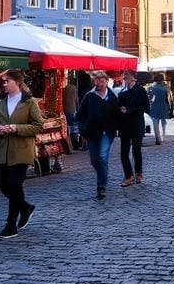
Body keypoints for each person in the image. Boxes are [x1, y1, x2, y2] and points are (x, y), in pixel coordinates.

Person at [0, 70, 44, 239]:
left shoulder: (29, 102)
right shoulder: (0, 101)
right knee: (3, 185)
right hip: (3, 149)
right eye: (3, 81)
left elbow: (37, 125)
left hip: (21, 150)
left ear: (17, 82)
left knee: (14, 184)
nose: (4, 84)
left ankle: (10, 224)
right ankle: (25, 207)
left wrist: (17, 128)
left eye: (7, 81)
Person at [77, 71, 120, 200]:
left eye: (101, 81)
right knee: (95, 160)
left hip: (107, 132)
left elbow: (117, 115)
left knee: (102, 157)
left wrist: (116, 127)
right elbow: (80, 115)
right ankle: (103, 173)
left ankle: (101, 186)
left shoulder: (112, 97)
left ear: (107, 81)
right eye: (96, 81)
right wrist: (83, 129)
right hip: (92, 132)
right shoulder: (89, 96)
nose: (99, 84)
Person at [117, 71, 150, 186]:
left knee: (137, 151)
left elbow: (145, 107)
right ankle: (129, 176)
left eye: (127, 76)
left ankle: (138, 174)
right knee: (124, 153)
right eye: (124, 77)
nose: (125, 78)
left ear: (133, 78)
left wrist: (129, 110)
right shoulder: (122, 92)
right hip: (124, 126)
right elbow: (118, 106)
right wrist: (120, 110)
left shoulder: (140, 91)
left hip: (136, 124)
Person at [147, 74, 171, 145]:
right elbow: (166, 99)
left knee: (155, 124)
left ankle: (158, 138)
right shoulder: (164, 88)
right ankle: (163, 136)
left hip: (154, 108)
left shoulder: (152, 88)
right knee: (163, 123)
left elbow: (150, 99)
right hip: (163, 107)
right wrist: (168, 108)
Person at [62, 79, 80, 149]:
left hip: (66, 110)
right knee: (74, 127)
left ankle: (70, 144)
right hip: (73, 110)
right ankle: (75, 143)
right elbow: (76, 100)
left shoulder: (64, 89)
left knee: (69, 127)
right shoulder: (74, 88)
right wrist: (78, 109)